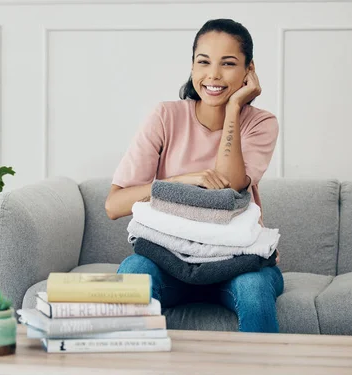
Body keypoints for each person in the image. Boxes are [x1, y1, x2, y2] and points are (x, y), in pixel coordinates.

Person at [105, 18, 283, 333]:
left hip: (236, 265)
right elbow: (114, 205)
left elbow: (230, 185)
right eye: (204, 62)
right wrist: (180, 182)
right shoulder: (165, 116)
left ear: (248, 70)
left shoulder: (260, 123)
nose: (213, 75)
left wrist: (233, 108)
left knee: (254, 292)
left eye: (228, 64)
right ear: (192, 66)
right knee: (134, 271)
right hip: (168, 263)